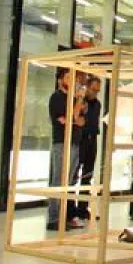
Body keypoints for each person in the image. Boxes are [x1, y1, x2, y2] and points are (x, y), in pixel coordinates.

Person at [47, 68, 86, 231]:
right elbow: (67, 119)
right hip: (62, 143)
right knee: (58, 180)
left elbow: (79, 120)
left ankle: (66, 216)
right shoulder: (57, 98)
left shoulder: (73, 99)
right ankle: (54, 218)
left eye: (74, 78)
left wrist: (73, 117)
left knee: (69, 182)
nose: (73, 81)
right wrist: (77, 106)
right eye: (69, 77)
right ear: (60, 80)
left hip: (75, 142)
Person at [72, 76, 102, 221]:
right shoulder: (80, 102)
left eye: (98, 91)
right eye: (94, 89)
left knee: (87, 175)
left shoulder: (98, 104)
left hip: (92, 139)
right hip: (80, 139)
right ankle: (71, 209)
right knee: (74, 173)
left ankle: (83, 208)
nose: (95, 93)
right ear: (88, 87)